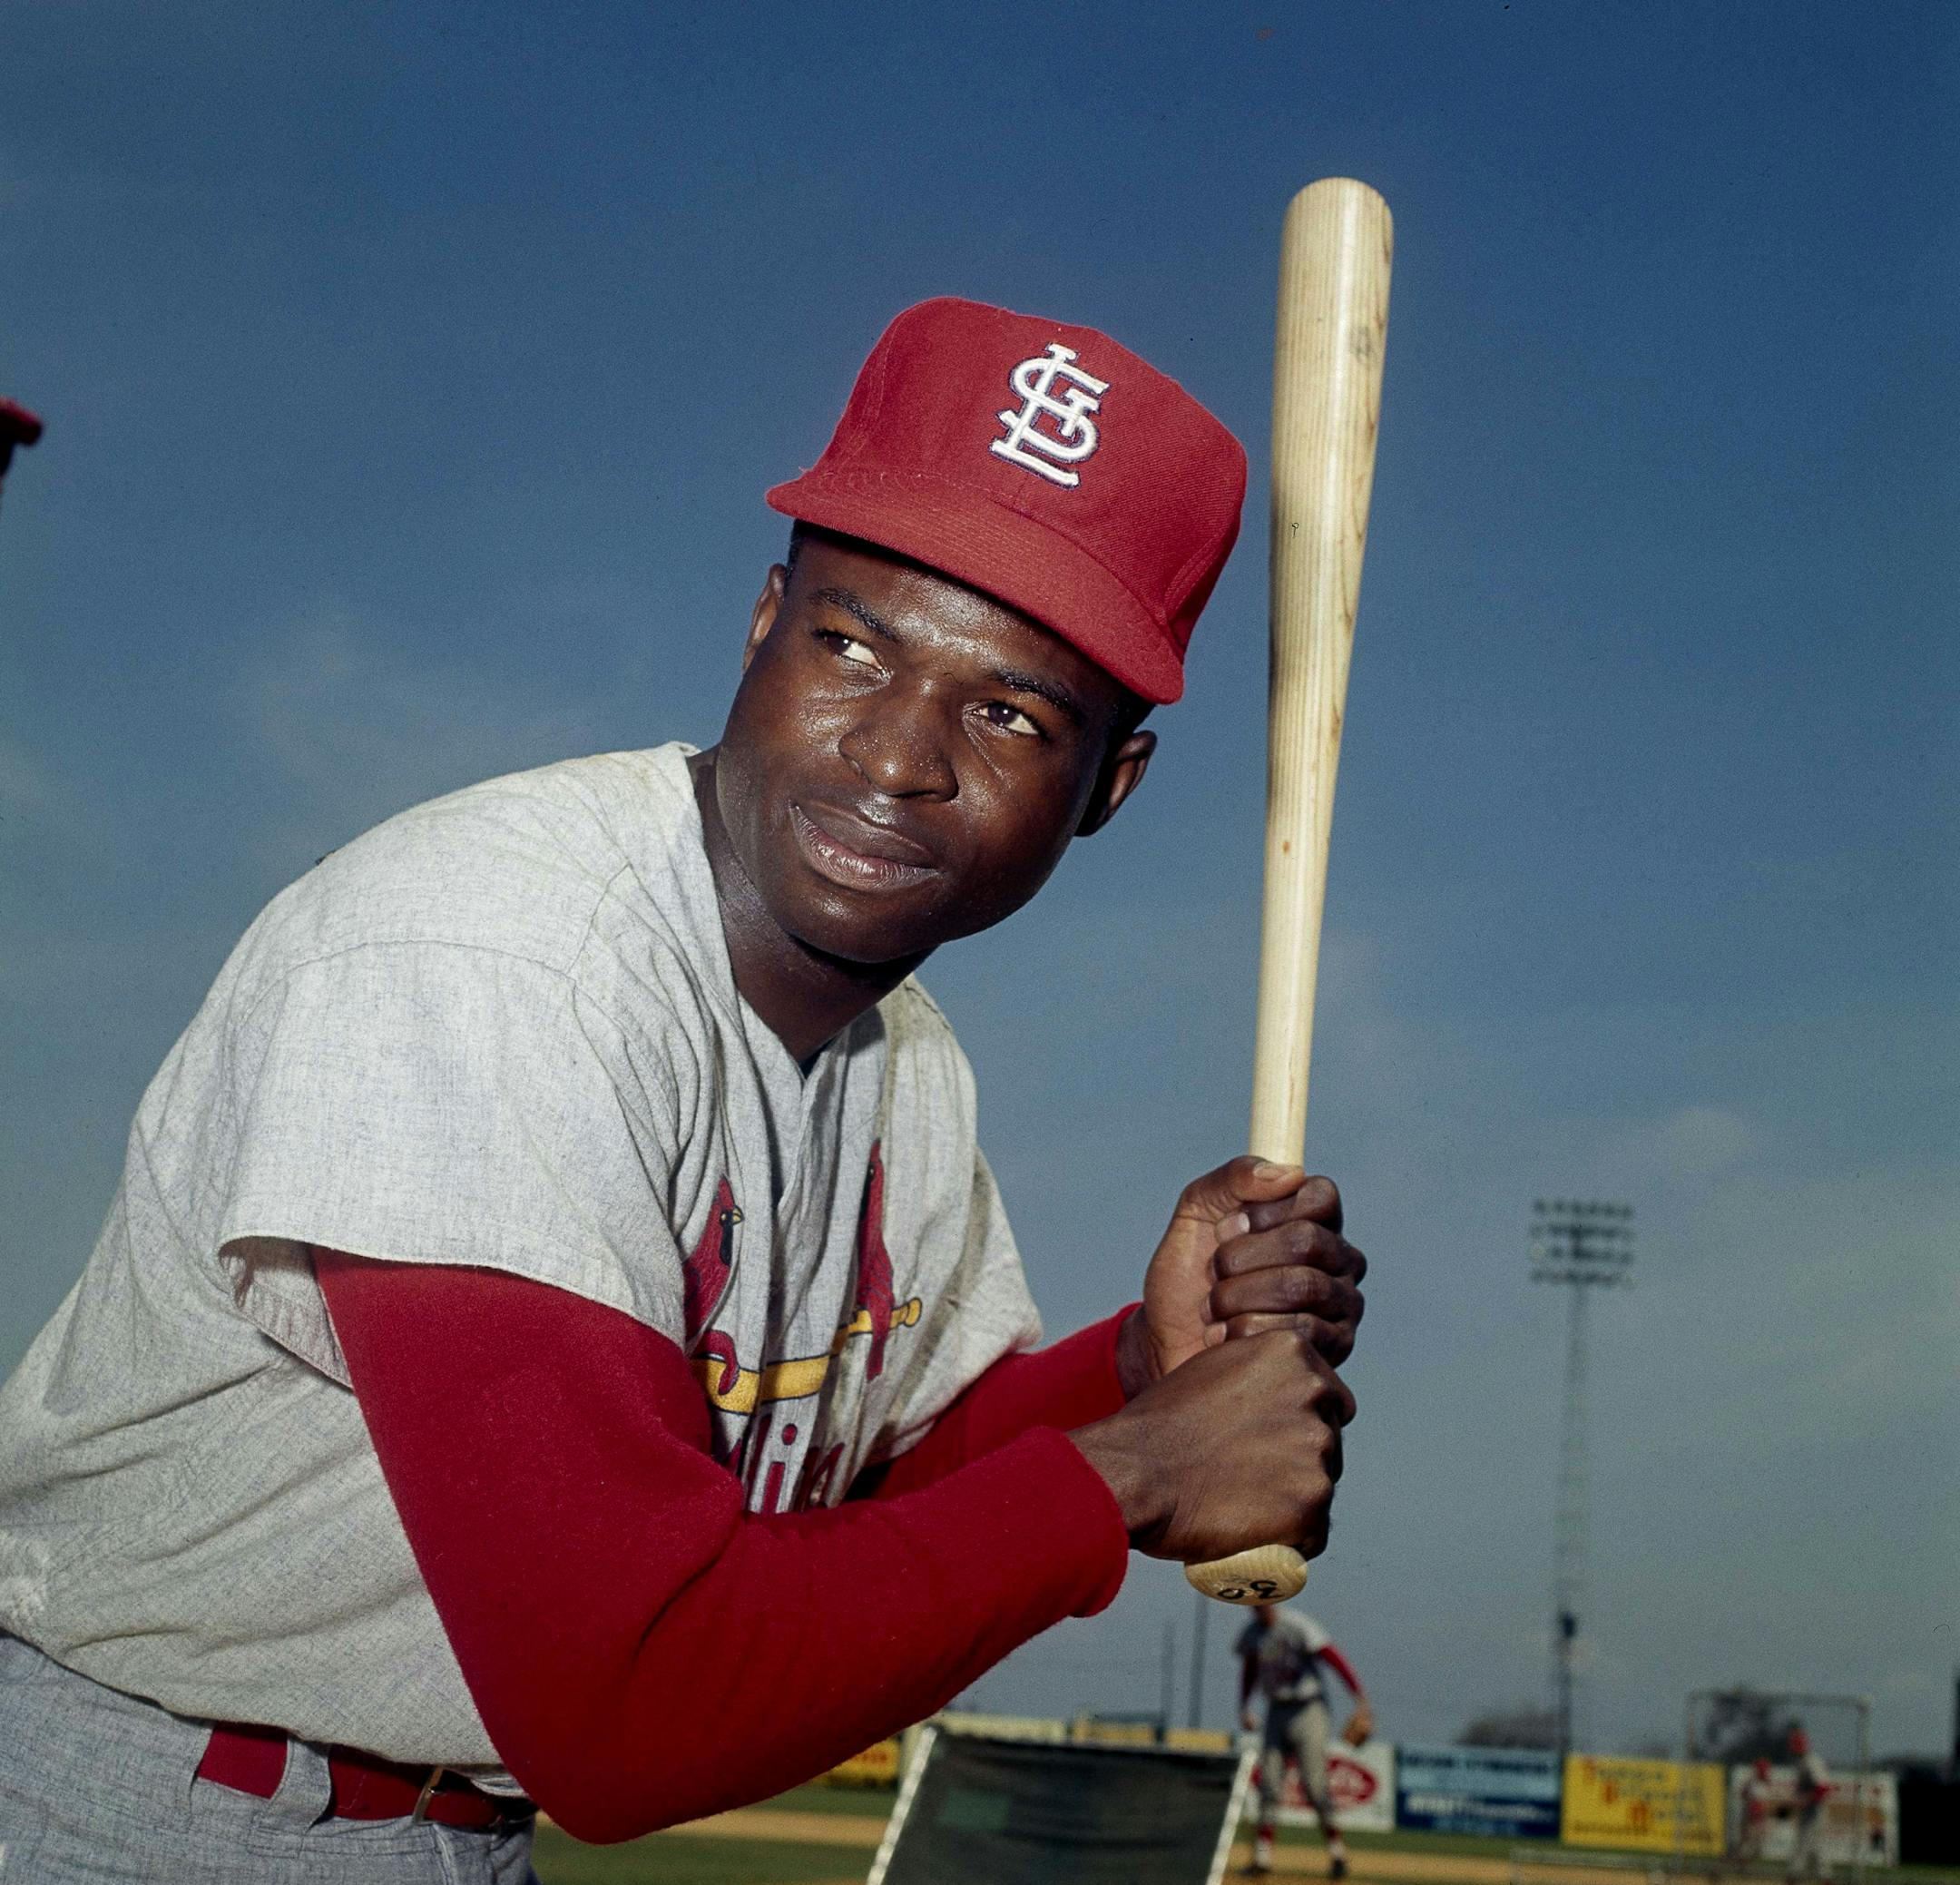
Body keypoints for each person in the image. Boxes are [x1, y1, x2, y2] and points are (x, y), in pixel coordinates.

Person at [0, 296, 1370, 1881]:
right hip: (125, 1811)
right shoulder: (489, 960)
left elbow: (862, 1509)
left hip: (445, 1828)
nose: (896, 756)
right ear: (760, 626)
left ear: (1105, 791)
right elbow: (637, 1708)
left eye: (1008, 712)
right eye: (853, 645)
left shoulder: (901, 1064)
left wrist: (1141, 1366)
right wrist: (1141, 1471)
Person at [1236, 1601, 1371, 1877]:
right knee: (1269, 1783)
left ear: (1275, 1599)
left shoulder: (1297, 1625)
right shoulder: (1252, 1634)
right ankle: (1262, 1858)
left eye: (1265, 1601)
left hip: (1309, 1709)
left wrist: (1358, 1698)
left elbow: (1332, 1657)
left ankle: (1337, 1854)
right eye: (1256, 1604)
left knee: (1314, 1784)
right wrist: (1244, 1706)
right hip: (1276, 1709)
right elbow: (1249, 1670)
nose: (1261, 1607)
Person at [1787, 1729, 1833, 1882]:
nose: (1793, 1749)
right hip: (1810, 1810)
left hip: (1815, 1811)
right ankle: (1825, 1877)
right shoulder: (1802, 1761)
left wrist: (1806, 1799)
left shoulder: (1811, 1762)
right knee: (1814, 1845)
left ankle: (1794, 1876)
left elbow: (1823, 1788)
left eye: (1796, 1746)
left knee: (1805, 1843)